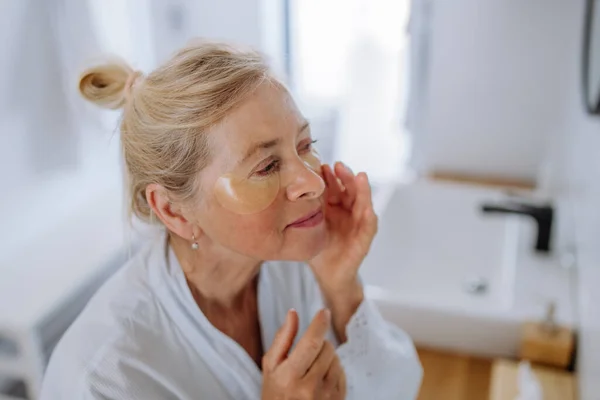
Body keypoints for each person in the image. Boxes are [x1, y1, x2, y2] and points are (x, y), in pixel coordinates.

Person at [40, 40, 422, 399]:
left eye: (305, 145)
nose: (312, 182)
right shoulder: (103, 377)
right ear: (173, 211)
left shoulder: (298, 263)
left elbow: (399, 386)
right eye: (267, 166)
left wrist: (342, 286)